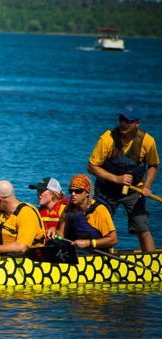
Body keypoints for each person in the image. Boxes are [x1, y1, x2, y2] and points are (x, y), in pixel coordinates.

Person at [87, 106, 158, 252]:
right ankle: (100, 258)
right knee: (98, 228)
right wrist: (116, 179)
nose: (123, 124)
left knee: (142, 229)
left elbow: (153, 165)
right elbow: (92, 167)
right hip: (106, 191)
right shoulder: (107, 139)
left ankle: (151, 259)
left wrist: (147, 186)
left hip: (134, 190)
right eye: (121, 119)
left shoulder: (148, 141)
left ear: (137, 123)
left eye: (128, 121)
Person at [0, 181, 45, 255]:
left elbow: (22, 247)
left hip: (29, 257)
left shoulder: (26, 213)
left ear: (0, 199)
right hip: (3, 255)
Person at [53, 174, 118, 252]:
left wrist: (88, 243)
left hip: (97, 253)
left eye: (78, 191)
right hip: (76, 252)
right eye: (71, 191)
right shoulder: (69, 207)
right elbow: (61, 233)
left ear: (87, 192)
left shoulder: (100, 210)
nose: (73, 194)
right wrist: (54, 231)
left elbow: (113, 239)